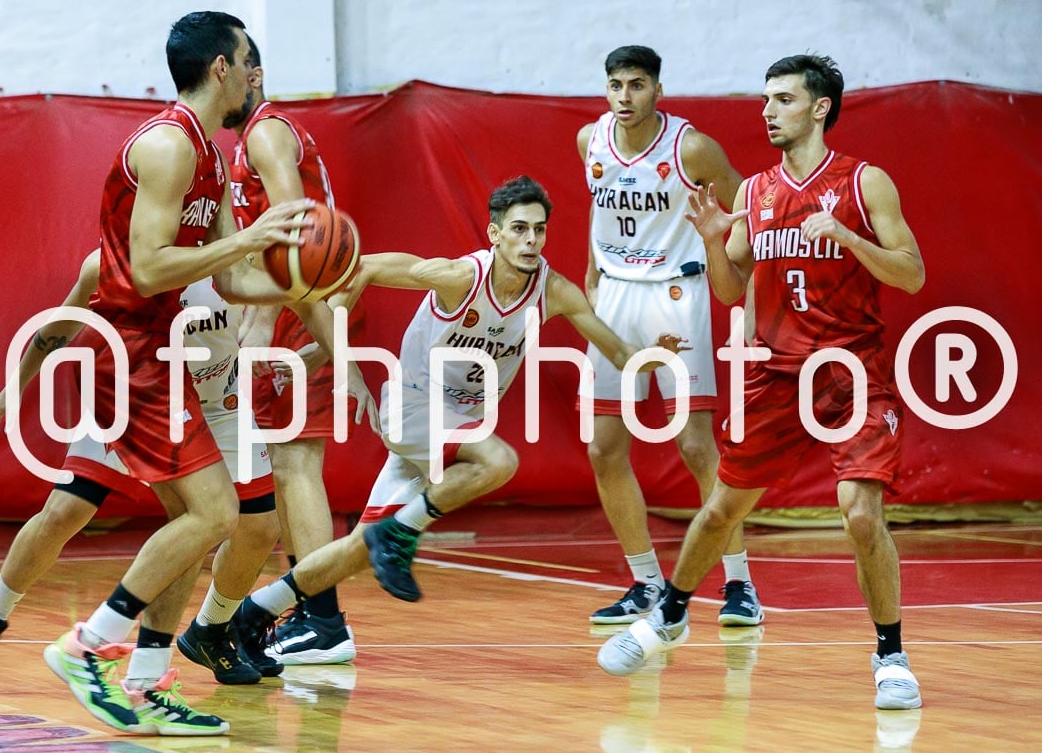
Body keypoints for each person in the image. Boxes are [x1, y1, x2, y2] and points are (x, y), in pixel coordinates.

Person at [37, 11, 370, 737]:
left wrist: (306, 280)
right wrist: (250, 239)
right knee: (216, 515)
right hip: (134, 351)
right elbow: (152, 266)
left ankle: (148, 683)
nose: (255, 71)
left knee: (224, 518)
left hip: (172, 357)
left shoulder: (212, 156)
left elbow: (236, 279)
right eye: (247, 59)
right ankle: (85, 645)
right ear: (221, 66)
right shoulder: (164, 147)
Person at [233, 175, 688, 650]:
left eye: (539, 230)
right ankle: (400, 533)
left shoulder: (554, 291)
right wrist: (338, 358)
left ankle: (250, 614)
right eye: (518, 229)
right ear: (494, 234)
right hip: (413, 406)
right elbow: (360, 268)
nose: (530, 240)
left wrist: (656, 355)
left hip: (456, 424)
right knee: (500, 462)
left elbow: (618, 354)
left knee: (356, 549)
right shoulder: (459, 277)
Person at [598, 54, 926, 712]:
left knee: (860, 513)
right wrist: (715, 241)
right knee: (721, 509)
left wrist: (847, 237)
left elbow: (912, 274)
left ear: (820, 107)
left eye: (782, 99)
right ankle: (671, 614)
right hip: (774, 376)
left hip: (850, 375)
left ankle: (891, 654)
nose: (767, 111)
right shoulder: (755, 192)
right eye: (766, 99)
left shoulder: (865, 184)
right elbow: (729, 291)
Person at [0, 250, 283, 690]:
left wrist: (276, 323)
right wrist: (18, 382)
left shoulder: (231, 253)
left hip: (219, 403)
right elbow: (60, 326)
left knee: (256, 530)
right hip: (137, 396)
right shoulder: (111, 263)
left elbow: (292, 283)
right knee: (65, 514)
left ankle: (209, 631)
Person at [578, 45, 761, 627]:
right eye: (615, 85)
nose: (624, 96)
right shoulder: (591, 140)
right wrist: (590, 272)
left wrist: (735, 275)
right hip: (614, 296)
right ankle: (646, 583)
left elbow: (745, 207)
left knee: (697, 446)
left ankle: (740, 585)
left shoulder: (691, 147)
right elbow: (598, 207)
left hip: (675, 295)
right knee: (603, 448)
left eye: (636, 85)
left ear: (658, 89)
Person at [203, 36, 357, 669]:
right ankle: (312, 614)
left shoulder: (267, 135)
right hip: (300, 303)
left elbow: (296, 231)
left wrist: (262, 322)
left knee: (295, 468)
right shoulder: (252, 141)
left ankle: (325, 621)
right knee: (286, 469)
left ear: (253, 75)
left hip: (304, 307)